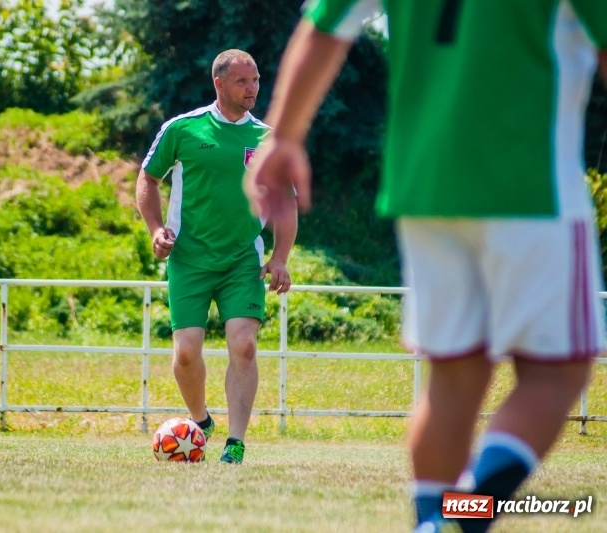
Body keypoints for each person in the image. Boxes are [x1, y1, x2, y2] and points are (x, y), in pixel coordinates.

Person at [244, 0, 607, 530]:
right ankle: (464, 511)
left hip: (425, 186)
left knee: (453, 379)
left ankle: (431, 521)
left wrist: (283, 137)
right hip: (531, 184)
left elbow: (324, 25)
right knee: (558, 371)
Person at [136, 49, 297, 465]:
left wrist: (279, 257)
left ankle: (235, 444)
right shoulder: (182, 129)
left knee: (244, 345)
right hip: (188, 259)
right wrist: (156, 230)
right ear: (219, 83)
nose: (252, 88)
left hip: (243, 261)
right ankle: (201, 422)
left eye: (256, 80)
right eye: (243, 81)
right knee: (187, 353)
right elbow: (148, 179)